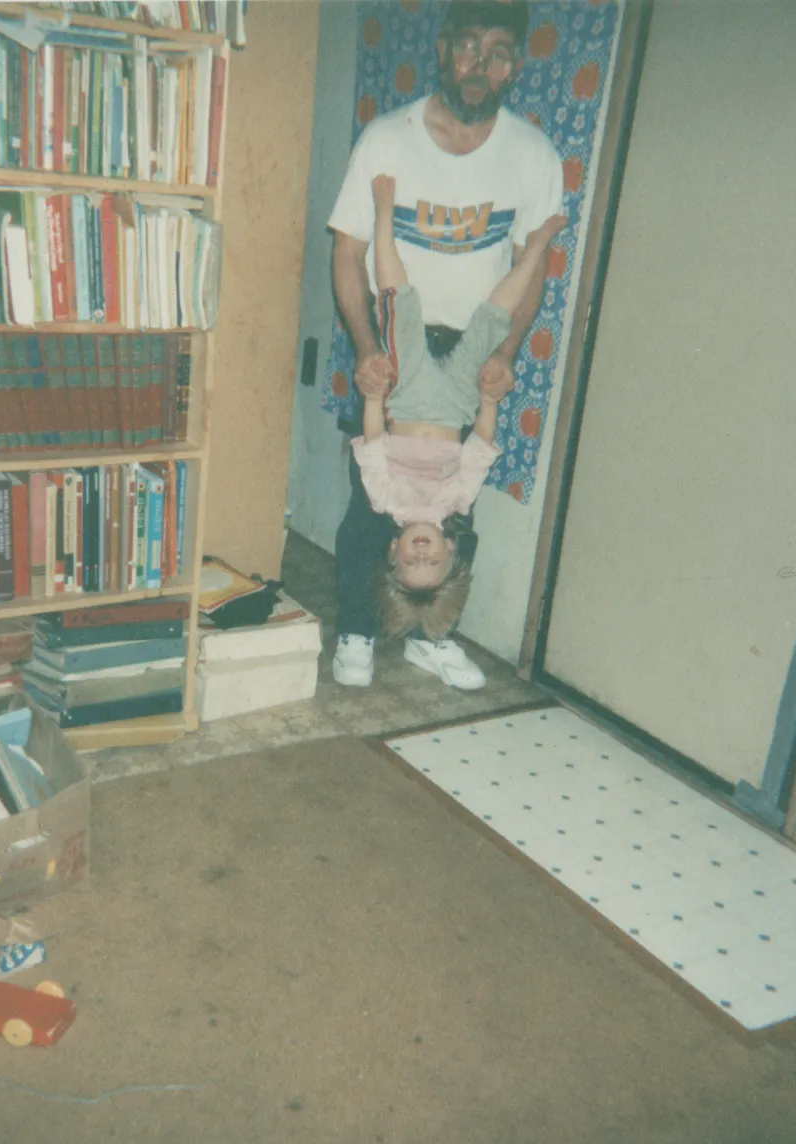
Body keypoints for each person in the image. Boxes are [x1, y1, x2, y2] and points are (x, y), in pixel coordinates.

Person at [329, 0, 563, 690]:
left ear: (514, 64)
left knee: (457, 509)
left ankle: (435, 634)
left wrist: (505, 356)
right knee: (370, 509)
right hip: (394, 346)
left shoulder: (532, 155)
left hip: (472, 349)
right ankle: (356, 629)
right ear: (441, 50)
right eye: (468, 48)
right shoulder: (386, 139)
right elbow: (347, 256)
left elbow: (533, 269)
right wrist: (367, 347)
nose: (480, 66)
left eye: (497, 53)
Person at [356, 173, 565, 645]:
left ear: (394, 551)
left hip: (405, 395)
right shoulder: (458, 502)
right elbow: (479, 447)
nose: (422, 553)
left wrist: (374, 398)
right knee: (492, 322)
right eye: (432, 562)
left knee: (398, 305)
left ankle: (384, 215)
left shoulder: (385, 499)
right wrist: (488, 401)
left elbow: (371, 444)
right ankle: (533, 250)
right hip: (455, 405)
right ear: (451, 551)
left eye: (412, 561)